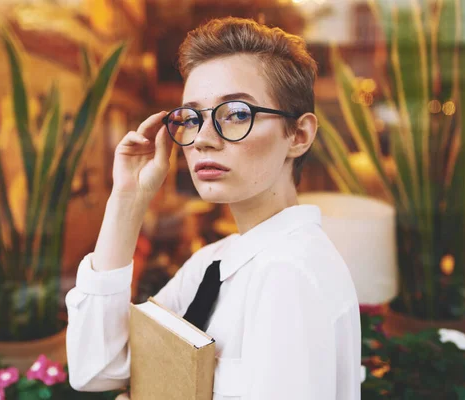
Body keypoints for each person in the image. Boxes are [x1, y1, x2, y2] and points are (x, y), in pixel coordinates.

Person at [65, 17, 361, 399]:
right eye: (191, 118)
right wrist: (127, 199)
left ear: (298, 135)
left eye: (236, 113)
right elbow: (97, 369)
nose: (203, 139)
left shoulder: (290, 273)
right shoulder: (216, 263)